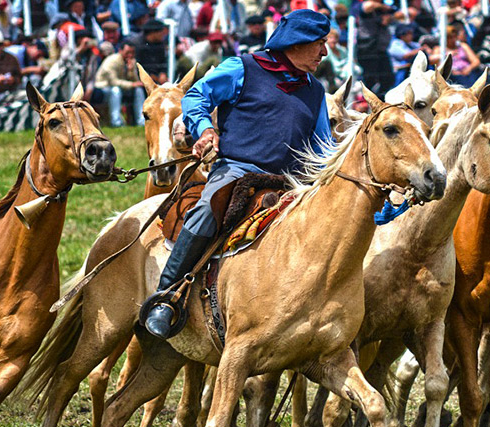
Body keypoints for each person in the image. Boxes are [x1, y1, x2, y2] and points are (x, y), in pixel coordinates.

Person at [143, 9, 332, 339]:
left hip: (293, 182)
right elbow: (197, 98)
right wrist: (203, 130)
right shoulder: (242, 67)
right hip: (238, 171)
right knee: (205, 211)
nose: (325, 52)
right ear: (296, 43)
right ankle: (167, 298)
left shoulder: (315, 90)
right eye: (319, 44)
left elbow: (324, 144)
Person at [94, 41, 144, 126]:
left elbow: (135, 81)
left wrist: (131, 71)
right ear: (120, 51)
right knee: (115, 90)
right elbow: (113, 82)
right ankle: (116, 122)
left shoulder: (131, 62)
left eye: (132, 53)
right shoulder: (112, 61)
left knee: (138, 90)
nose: (130, 55)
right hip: (103, 88)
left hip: (121, 88)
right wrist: (132, 85)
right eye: (127, 52)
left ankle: (141, 121)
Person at [136, 18, 168, 83]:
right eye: (161, 32)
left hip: (158, 79)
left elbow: (163, 61)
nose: (163, 34)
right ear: (153, 33)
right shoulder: (138, 45)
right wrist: (152, 77)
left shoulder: (160, 44)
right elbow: (138, 66)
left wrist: (163, 73)